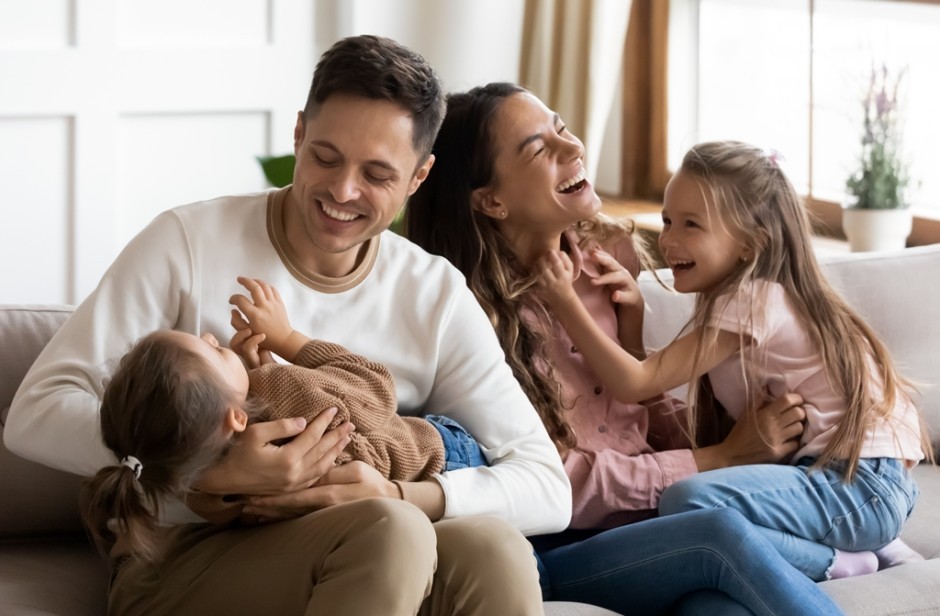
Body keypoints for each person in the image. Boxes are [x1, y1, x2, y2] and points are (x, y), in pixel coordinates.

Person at [6, 37, 571, 616]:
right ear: (298, 134)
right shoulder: (186, 243)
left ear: (419, 177)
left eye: (377, 174)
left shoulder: (433, 294)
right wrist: (212, 470)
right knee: (389, 530)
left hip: (364, 538)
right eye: (325, 156)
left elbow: (545, 487)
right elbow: (34, 415)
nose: (343, 191)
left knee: (493, 547)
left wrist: (400, 491)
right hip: (182, 554)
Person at [406, 82, 843, 614]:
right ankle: (825, 559)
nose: (573, 148)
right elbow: (555, 479)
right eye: (540, 149)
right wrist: (718, 458)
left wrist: (736, 429)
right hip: (562, 544)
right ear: (491, 201)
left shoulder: (602, 269)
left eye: (562, 128)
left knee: (717, 609)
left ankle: (830, 558)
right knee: (715, 535)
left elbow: (631, 414)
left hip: (652, 530)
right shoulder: (467, 319)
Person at [535, 139, 932, 582]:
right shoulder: (759, 298)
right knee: (696, 508)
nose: (668, 240)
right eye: (667, 220)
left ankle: (837, 561)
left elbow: (636, 383)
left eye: (691, 225)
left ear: (749, 244)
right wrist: (633, 324)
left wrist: (564, 300)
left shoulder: (750, 300)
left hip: (856, 484)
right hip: (857, 483)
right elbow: (645, 387)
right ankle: (864, 544)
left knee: (686, 502)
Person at [81, 275, 488, 552]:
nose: (209, 334)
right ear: (236, 419)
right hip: (445, 454)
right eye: (214, 350)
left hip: (406, 511)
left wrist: (253, 370)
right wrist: (289, 343)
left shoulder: (206, 493)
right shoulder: (281, 387)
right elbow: (375, 387)